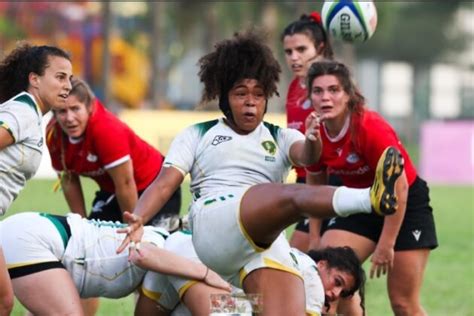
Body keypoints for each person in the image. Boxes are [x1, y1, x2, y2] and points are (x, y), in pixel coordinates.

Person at [118, 30, 404, 315]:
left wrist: (314, 141)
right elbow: (165, 184)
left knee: (267, 309)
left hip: (260, 244)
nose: (251, 102)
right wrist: (139, 217)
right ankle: (370, 198)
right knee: (290, 195)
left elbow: (306, 155)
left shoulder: (281, 137)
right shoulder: (198, 134)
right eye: (241, 94)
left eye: (258, 94)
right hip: (214, 225)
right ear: (224, 98)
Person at [306, 60, 438, 316]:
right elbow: (315, 186)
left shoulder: (369, 127)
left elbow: (398, 189)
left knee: (402, 303)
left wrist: (386, 244)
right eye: (318, 91)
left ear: (348, 95)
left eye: (334, 90)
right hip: (358, 201)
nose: (325, 97)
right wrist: (314, 237)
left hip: (405, 204)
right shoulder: (315, 130)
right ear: (310, 96)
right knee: (330, 283)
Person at [0, 211, 231, 315]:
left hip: (32, 233)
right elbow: (141, 254)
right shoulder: (171, 246)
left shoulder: (169, 265)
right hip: (31, 237)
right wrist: (205, 272)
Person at [136, 227, 366, 316]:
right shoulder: (313, 283)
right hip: (193, 262)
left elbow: (253, 304)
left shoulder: (293, 262)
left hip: (179, 247)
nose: (335, 293)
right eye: (337, 281)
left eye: (341, 291)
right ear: (322, 265)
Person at [46, 77, 181, 225]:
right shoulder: (54, 134)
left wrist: (131, 229)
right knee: (94, 239)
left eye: (75, 108)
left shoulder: (106, 130)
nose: (69, 118)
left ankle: (173, 229)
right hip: (114, 191)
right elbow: (69, 180)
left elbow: (126, 184)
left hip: (154, 185)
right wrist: (81, 227)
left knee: (144, 243)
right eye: (62, 111)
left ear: (89, 107)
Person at [0, 43, 73, 315]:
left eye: (70, 79)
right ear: (34, 79)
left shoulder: (29, 113)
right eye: (60, 76)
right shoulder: (24, 111)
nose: (67, 85)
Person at [281, 12, 341, 252]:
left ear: (320, 47)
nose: (294, 58)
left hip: (331, 181)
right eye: (288, 52)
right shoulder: (295, 86)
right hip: (305, 181)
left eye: (301, 50)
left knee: (305, 259)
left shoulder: (335, 88)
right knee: (300, 261)